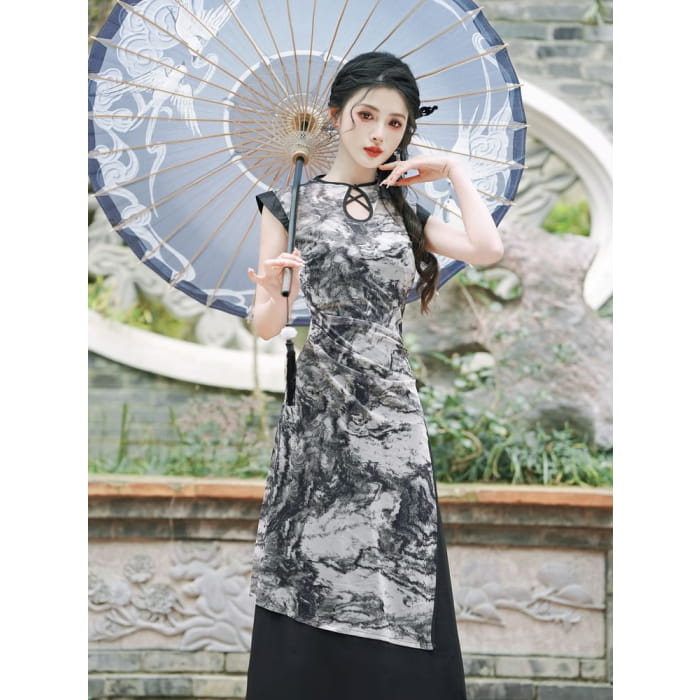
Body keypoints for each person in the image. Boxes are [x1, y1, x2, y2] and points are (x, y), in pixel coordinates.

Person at [244, 51, 503, 700]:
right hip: (321, 413)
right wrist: (276, 289)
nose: (379, 134)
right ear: (335, 116)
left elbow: (486, 249)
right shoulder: (287, 205)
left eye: (395, 123)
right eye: (366, 116)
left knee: (399, 560)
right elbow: (268, 326)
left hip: (392, 413)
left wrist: (454, 172)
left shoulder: (403, 209)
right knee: (315, 559)